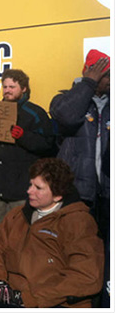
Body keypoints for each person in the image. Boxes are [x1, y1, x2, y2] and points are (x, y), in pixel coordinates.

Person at [0, 158, 104, 308]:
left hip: (52, 301)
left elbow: (86, 276)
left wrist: (27, 298)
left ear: (58, 195)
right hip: (14, 293)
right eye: (30, 185)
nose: (29, 191)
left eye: (38, 188)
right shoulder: (18, 214)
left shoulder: (78, 222)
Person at [0, 69, 55, 235]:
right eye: (5, 86)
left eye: (12, 87)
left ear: (24, 89)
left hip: (22, 189)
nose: (7, 90)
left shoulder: (35, 113)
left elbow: (48, 145)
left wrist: (23, 136)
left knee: (19, 236)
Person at [49, 49, 110, 240]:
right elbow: (67, 116)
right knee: (76, 244)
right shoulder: (63, 99)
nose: (109, 79)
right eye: (105, 74)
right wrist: (88, 84)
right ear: (90, 73)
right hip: (78, 192)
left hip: (107, 192)